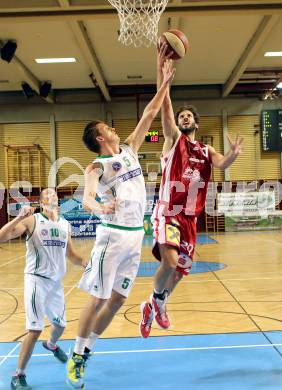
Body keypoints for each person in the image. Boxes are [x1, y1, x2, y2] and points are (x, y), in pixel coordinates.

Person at [66, 60, 175, 389]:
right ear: (101, 137)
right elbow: (85, 199)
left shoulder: (128, 150)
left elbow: (149, 116)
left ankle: (89, 349)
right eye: (108, 127)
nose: (113, 128)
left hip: (132, 239)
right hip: (111, 237)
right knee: (97, 299)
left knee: (117, 300)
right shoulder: (96, 165)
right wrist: (101, 206)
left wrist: (164, 79)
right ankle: (76, 355)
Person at [139, 42, 243, 338]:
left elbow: (222, 165)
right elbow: (165, 107)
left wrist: (234, 153)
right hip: (168, 211)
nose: (184, 118)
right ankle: (157, 301)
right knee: (170, 261)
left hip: (190, 218)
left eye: (188, 116)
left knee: (183, 268)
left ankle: (155, 304)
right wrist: (162, 75)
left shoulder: (206, 149)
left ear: (196, 122)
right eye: (181, 116)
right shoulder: (173, 140)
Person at [0, 188, 86, 390]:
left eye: (54, 194)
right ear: (41, 201)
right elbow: (2, 237)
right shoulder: (33, 220)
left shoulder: (65, 225)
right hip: (36, 281)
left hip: (55, 284)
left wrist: (87, 263)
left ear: (58, 201)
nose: (51, 196)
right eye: (46, 194)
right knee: (35, 328)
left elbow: (72, 254)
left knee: (61, 326)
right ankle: (18, 376)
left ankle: (51, 345)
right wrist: (17, 218)